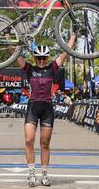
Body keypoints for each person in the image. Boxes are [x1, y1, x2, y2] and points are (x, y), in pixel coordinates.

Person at [15, 33, 76, 187]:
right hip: (33, 107)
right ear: (34, 58)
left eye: (44, 58)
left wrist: (73, 37)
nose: (41, 61)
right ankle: (31, 174)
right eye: (38, 58)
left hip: (47, 108)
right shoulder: (29, 69)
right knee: (29, 140)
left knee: (45, 143)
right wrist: (9, 39)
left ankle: (44, 174)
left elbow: (65, 53)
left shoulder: (53, 68)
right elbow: (14, 54)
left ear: (47, 58)